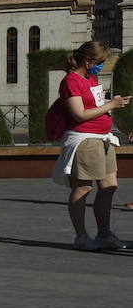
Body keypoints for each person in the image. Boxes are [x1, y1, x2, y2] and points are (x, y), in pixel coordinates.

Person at [54, 42, 130, 250]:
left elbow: (94, 103)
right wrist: (111, 105)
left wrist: (112, 102)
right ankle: (81, 236)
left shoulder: (91, 78)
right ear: (88, 61)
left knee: (108, 186)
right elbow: (79, 114)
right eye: (101, 62)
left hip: (102, 138)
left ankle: (104, 233)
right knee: (83, 187)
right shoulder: (71, 81)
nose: (102, 67)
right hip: (85, 140)